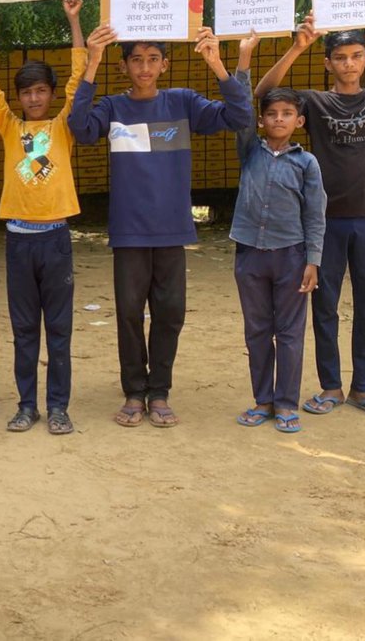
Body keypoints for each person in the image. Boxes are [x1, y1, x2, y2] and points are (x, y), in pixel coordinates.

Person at [68, 24, 253, 428]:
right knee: (130, 313)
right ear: (124, 66)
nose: (145, 67)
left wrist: (217, 63)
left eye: (153, 59)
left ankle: (160, 391)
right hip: (129, 232)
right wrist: (92, 61)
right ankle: (135, 391)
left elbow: (239, 115)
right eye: (137, 59)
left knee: (170, 314)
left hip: (172, 230)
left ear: (165, 65)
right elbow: (80, 129)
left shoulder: (183, 103)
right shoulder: (113, 108)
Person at [254, 0, 365, 419]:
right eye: (340, 57)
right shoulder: (313, 103)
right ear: (328, 63)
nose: (348, 64)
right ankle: (330, 386)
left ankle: (363, 388)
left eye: (355, 56)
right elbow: (261, 96)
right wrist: (297, 47)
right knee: (323, 305)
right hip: (323, 223)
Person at [0, 0, 85, 434]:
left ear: (51, 94)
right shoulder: (9, 126)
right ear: (19, 97)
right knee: (24, 331)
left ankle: (58, 407)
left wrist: (74, 21)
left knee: (58, 332)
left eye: (42, 91)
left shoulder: (64, 126)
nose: (35, 98)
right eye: (28, 92)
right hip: (20, 242)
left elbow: (81, 81)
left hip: (56, 240)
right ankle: (27, 405)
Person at [231, 32, 326, 434]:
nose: (279, 120)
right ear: (261, 121)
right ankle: (262, 400)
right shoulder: (249, 148)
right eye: (272, 114)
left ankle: (286, 402)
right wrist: (243, 58)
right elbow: (239, 102)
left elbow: (316, 215)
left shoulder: (307, 163)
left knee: (289, 332)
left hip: (291, 255)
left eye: (288, 114)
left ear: (298, 121)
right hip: (251, 253)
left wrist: (313, 261)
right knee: (257, 331)